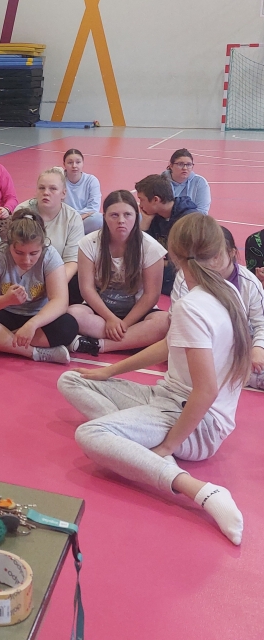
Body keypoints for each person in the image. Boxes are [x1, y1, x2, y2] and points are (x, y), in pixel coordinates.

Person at [57, 213, 251, 546]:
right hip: (169, 399)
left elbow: (205, 391)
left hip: (196, 422)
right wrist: (109, 371)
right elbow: (169, 344)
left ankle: (197, 489)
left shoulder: (194, 305)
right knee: (71, 380)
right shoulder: (226, 291)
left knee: (90, 434)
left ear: (173, 255)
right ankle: (137, 441)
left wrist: (168, 446)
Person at [0, 209, 79, 364]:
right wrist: (6, 300)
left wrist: (32, 324)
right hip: (4, 313)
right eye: (19, 253)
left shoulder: (50, 255)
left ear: (42, 247)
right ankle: (34, 352)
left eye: (34, 253)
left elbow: (60, 301)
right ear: (9, 246)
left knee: (68, 325)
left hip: (37, 316)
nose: (27, 260)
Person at [68, 190, 170, 356]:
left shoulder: (151, 248)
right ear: (104, 217)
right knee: (73, 314)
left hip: (137, 313)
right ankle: (131, 340)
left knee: (164, 322)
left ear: (136, 217)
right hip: (101, 312)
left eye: (127, 214)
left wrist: (125, 324)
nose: (121, 220)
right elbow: (87, 289)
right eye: (114, 215)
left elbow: (151, 295)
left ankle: (100, 345)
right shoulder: (88, 243)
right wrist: (110, 318)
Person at [172, 226, 264, 390]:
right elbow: (177, 323)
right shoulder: (186, 277)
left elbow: (261, 324)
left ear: (232, 253)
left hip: (243, 345)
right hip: (201, 343)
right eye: (207, 253)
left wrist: (258, 348)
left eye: (218, 254)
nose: (212, 260)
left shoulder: (250, 283)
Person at [14, 167, 85, 283]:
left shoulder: (73, 218)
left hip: (57, 277)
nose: (46, 192)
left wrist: (55, 285)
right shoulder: (22, 212)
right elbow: (14, 252)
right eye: (41, 188)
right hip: (23, 276)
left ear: (63, 193)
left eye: (53, 188)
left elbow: (71, 261)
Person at [135, 174, 199, 294]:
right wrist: (145, 224)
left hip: (187, 279)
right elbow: (140, 252)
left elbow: (186, 264)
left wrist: (154, 262)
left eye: (141, 200)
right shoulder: (155, 216)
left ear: (156, 200)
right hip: (166, 274)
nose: (140, 205)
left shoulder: (188, 221)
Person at [63, 149, 102, 234]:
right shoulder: (59, 180)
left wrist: (77, 217)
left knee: (98, 219)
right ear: (64, 164)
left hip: (83, 220)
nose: (74, 166)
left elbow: (94, 208)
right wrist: (83, 214)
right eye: (70, 162)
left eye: (78, 162)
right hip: (64, 220)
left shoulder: (91, 180)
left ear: (83, 163)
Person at [162, 148, 211, 215]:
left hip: (192, 220)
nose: (185, 168)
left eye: (188, 164)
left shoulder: (200, 182)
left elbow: (202, 212)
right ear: (171, 166)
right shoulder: (160, 182)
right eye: (180, 164)